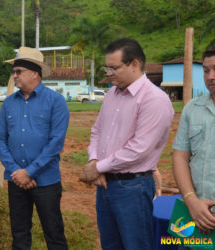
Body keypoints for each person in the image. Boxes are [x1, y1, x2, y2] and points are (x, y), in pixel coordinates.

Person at [79, 38, 174, 249]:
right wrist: (94, 159)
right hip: (104, 184)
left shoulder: (154, 99)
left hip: (133, 187)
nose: (109, 73)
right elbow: (97, 131)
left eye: (114, 68)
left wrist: (97, 168)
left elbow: (138, 149)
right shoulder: (112, 94)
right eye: (107, 68)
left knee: (136, 244)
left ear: (134, 64)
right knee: (110, 244)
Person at [0, 47, 69, 249]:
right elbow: (0, 139)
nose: (14, 76)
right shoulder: (9, 103)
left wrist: (30, 171)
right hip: (16, 180)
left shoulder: (56, 101)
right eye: (14, 71)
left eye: (19, 71)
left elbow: (55, 143)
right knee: (19, 234)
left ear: (35, 73)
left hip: (46, 181)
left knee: (54, 234)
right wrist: (17, 172)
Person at [173, 46, 215, 237]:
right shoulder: (192, 109)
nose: (210, 76)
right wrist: (191, 202)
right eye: (206, 71)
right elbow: (180, 157)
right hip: (194, 215)